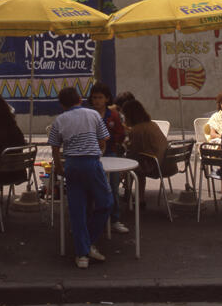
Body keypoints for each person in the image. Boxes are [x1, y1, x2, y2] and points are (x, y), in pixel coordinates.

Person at [47, 86, 112, 269]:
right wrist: (98, 150)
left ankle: (82, 253)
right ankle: (89, 242)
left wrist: (59, 166)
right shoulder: (93, 115)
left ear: (62, 104)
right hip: (91, 163)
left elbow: (54, 147)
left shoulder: (59, 120)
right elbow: (103, 139)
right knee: (105, 202)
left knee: (77, 209)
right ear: (79, 99)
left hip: (71, 164)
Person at [88, 81, 129, 234]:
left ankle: (115, 219)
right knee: (92, 189)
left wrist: (109, 141)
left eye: (100, 97)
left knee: (113, 187)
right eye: (94, 98)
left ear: (106, 99)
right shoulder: (88, 114)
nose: (97, 101)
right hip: (91, 155)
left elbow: (120, 134)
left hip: (111, 153)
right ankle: (92, 220)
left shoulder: (114, 115)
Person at [122, 99, 168, 209]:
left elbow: (133, 150)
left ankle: (128, 194)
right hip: (165, 163)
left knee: (130, 163)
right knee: (135, 161)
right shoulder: (152, 124)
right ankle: (137, 197)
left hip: (153, 165)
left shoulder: (137, 130)